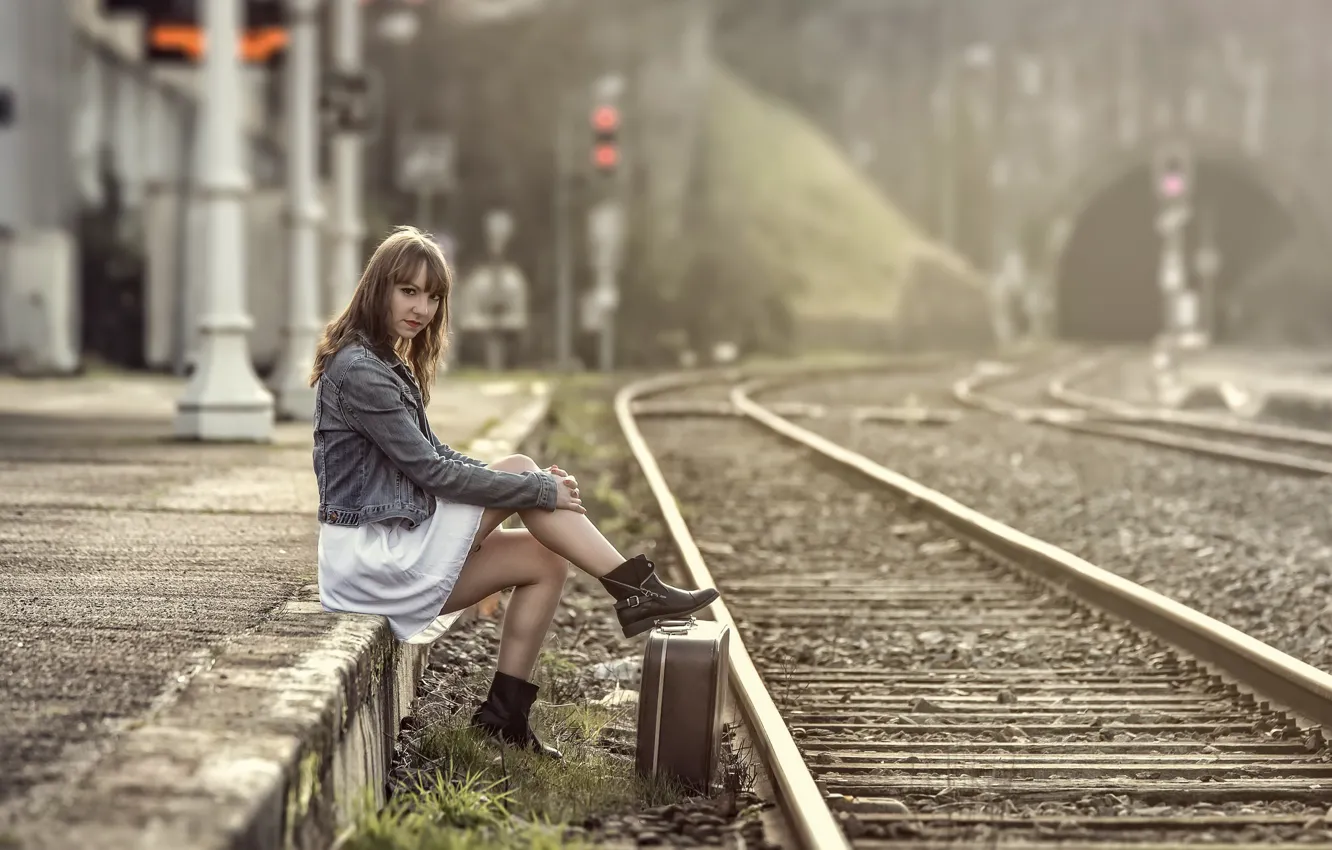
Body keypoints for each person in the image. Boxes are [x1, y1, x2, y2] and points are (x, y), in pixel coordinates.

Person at [308, 226, 719, 760]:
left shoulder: (386, 361)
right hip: (369, 562)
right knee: (524, 473)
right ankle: (637, 591)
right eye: (408, 291)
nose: (422, 308)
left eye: (433, 297)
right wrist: (533, 488)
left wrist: (530, 489)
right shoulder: (360, 370)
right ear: (377, 288)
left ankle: (504, 718)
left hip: (395, 548)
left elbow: (441, 455)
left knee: (545, 559)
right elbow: (433, 472)